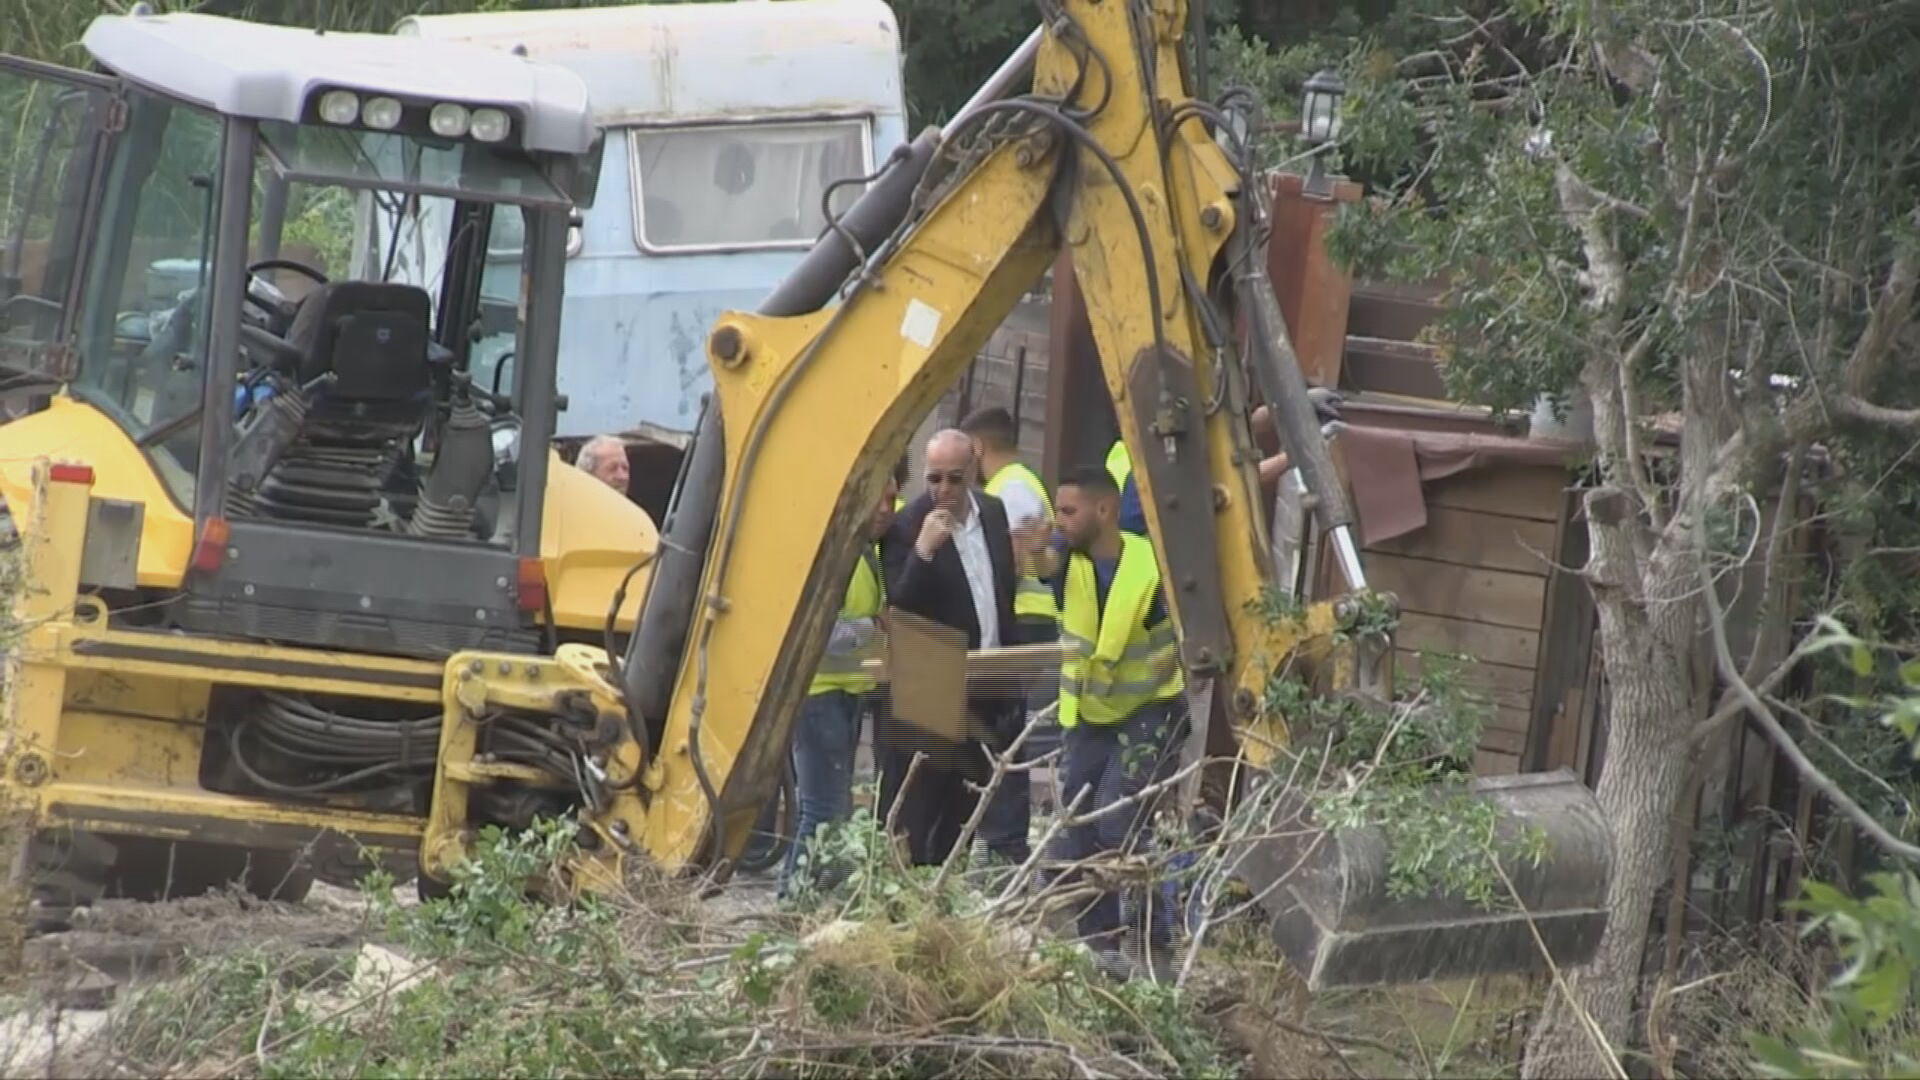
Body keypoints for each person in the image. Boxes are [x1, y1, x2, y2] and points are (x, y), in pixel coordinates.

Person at [1034, 464, 1187, 979]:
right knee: (1079, 832)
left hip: (1150, 711)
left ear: (1104, 510)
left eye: (1069, 511)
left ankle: (1154, 938)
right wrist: (1036, 545)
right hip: (1091, 717)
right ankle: (1102, 949)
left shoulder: (1150, 568)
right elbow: (1042, 560)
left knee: (1117, 823)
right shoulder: (1068, 563)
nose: (1061, 520)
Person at [877, 429, 1023, 866]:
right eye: (934, 479)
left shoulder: (994, 513)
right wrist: (923, 552)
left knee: (968, 808)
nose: (943, 490)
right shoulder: (906, 527)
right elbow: (900, 608)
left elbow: (1001, 594)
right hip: (933, 694)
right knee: (922, 811)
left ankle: (948, 895)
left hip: (988, 686)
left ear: (974, 470)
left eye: (954, 480)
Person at [779, 472, 898, 896]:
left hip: (845, 695)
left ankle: (809, 901)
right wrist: (874, 626)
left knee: (833, 811)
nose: (886, 509)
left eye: (892, 499)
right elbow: (817, 637)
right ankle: (792, 904)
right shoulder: (833, 557)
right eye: (877, 499)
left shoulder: (866, 554)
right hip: (819, 698)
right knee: (822, 812)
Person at [960, 406, 1053, 862]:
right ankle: (1000, 840)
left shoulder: (1011, 489)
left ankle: (1003, 843)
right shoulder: (1017, 483)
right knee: (998, 730)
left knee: (999, 730)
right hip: (1023, 622)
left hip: (1021, 621)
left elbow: (1012, 561)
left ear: (978, 448)